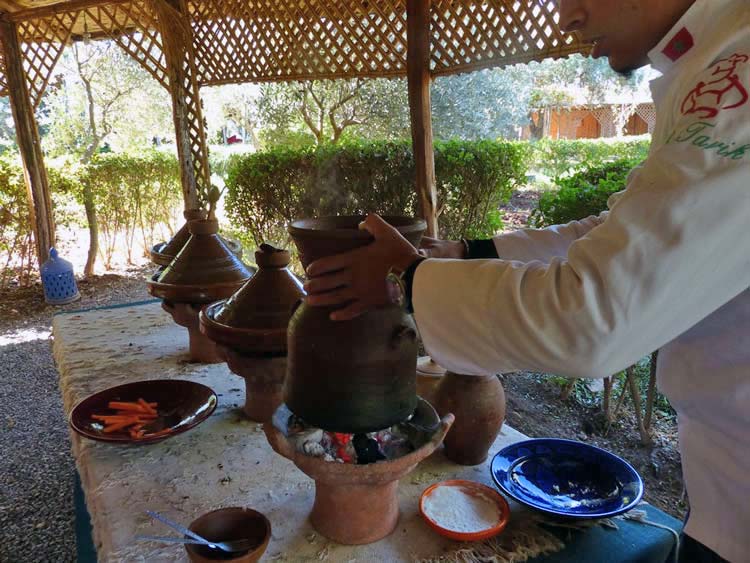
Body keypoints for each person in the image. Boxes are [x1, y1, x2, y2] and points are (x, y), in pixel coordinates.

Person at [303, 1, 749, 561]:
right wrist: (466, 253)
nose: (566, 16)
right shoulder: (707, 62)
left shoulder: (740, 74)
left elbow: (591, 319)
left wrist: (409, 279)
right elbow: (621, 229)